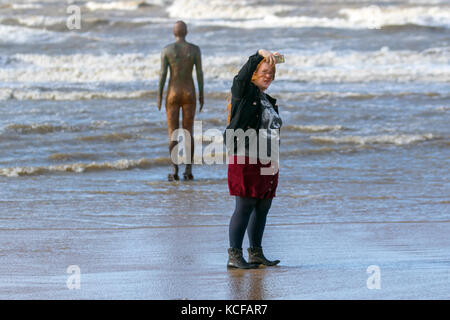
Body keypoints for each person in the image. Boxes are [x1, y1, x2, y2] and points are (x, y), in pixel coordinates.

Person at [224, 49, 283, 269]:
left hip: (268, 158)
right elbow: (240, 77)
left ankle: (256, 253)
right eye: (264, 72)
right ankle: (234, 255)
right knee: (245, 203)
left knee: (263, 205)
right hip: (245, 155)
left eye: (271, 73)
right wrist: (259, 54)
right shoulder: (244, 93)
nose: (268, 76)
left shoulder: (267, 100)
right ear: (254, 75)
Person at [157, 21, 204, 181]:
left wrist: (159, 95)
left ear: (173, 32)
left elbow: (163, 74)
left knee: (173, 132)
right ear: (186, 31)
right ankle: (189, 170)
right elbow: (199, 73)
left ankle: (175, 169)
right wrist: (201, 94)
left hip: (172, 92)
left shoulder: (167, 50)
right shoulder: (195, 49)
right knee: (188, 131)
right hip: (189, 92)